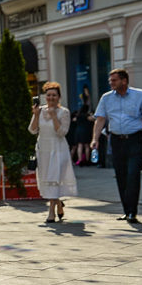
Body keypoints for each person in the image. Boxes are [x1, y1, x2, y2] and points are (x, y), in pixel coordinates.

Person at [91, 68, 142, 223]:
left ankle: (132, 211)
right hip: (116, 140)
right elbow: (100, 119)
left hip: (135, 140)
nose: (111, 83)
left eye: (114, 80)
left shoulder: (139, 95)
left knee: (133, 174)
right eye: (110, 80)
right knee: (121, 175)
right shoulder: (106, 98)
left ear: (124, 81)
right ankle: (127, 211)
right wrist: (95, 139)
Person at [29, 82, 77, 223]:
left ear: (59, 97)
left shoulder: (64, 112)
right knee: (48, 179)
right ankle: (58, 204)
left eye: (54, 95)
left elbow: (62, 132)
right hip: (43, 149)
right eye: (48, 95)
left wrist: (54, 116)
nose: (51, 98)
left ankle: (51, 213)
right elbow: (32, 130)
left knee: (54, 178)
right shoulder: (40, 110)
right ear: (45, 96)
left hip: (58, 149)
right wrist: (36, 115)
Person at [72, 93, 93, 166]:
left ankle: (80, 160)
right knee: (87, 146)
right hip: (85, 131)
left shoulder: (78, 115)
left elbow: (74, 120)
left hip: (78, 131)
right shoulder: (86, 115)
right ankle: (87, 160)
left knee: (80, 146)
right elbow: (93, 119)